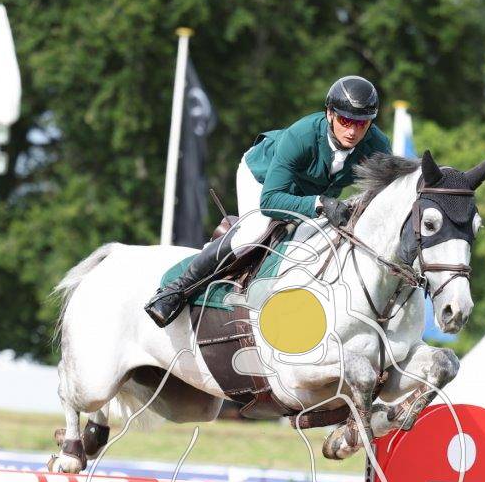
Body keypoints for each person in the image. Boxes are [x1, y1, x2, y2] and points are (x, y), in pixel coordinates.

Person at [145, 75, 392, 327]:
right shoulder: (301, 136)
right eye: (345, 120)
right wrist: (319, 204)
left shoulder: (378, 146)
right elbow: (270, 200)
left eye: (361, 123)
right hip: (263, 179)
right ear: (329, 113)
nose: (352, 131)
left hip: (308, 191)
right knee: (254, 232)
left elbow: (385, 199)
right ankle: (176, 290)